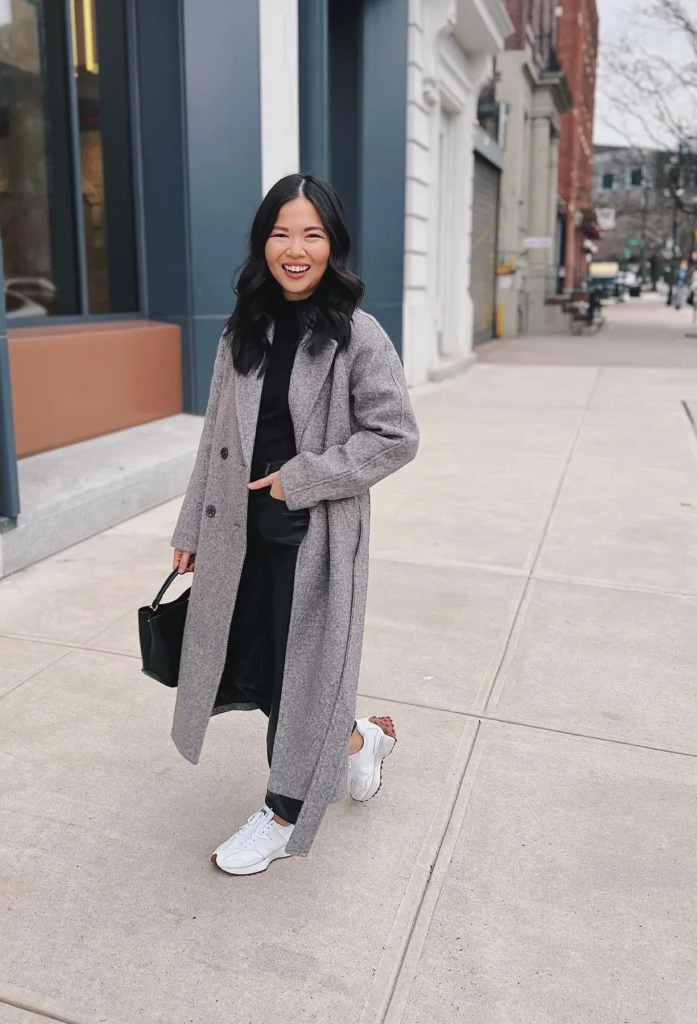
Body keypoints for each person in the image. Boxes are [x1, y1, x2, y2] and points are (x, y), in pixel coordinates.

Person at [168, 174, 419, 875]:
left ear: (332, 245)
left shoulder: (356, 335)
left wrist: (302, 478)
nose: (295, 248)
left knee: (301, 671)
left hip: (313, 538)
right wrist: (190, 527)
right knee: (267, 667)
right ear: (263, 243)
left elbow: (395, 435)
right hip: (235, 533)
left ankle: (282, 812)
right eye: (281, 232)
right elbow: (214, 436)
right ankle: (357, 740)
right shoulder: (241, 329)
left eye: (311, 233)